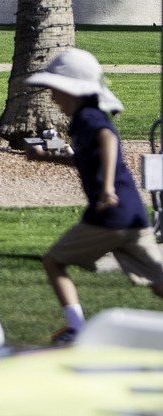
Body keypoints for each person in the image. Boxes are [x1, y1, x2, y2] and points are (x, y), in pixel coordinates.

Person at [24, 48, 163, 344]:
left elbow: (108, 139)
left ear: (72, 91)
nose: (52, 98)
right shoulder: (84, 119)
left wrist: (108, 187)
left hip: (108, 215)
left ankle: (76, 330)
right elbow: (86, 159)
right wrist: (45, 157)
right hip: (133, 215)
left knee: (53, 262)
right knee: (159, 281)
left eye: (55, 90)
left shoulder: (88, 117)